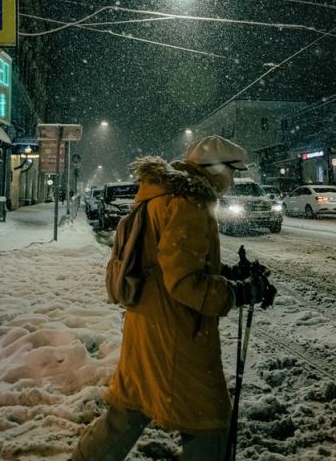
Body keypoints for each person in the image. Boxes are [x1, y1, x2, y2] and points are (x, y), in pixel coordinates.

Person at [71, 135, 275, 461]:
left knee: (128, 413)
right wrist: (238, 292)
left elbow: (179, 260)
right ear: (215, 170)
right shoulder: (188, 204)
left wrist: (233, 273)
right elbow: (184, 282)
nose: (232, 180)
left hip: (146, 327)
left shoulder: (162, 197)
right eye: (231, 172)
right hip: (176, 336)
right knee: (209, 421)